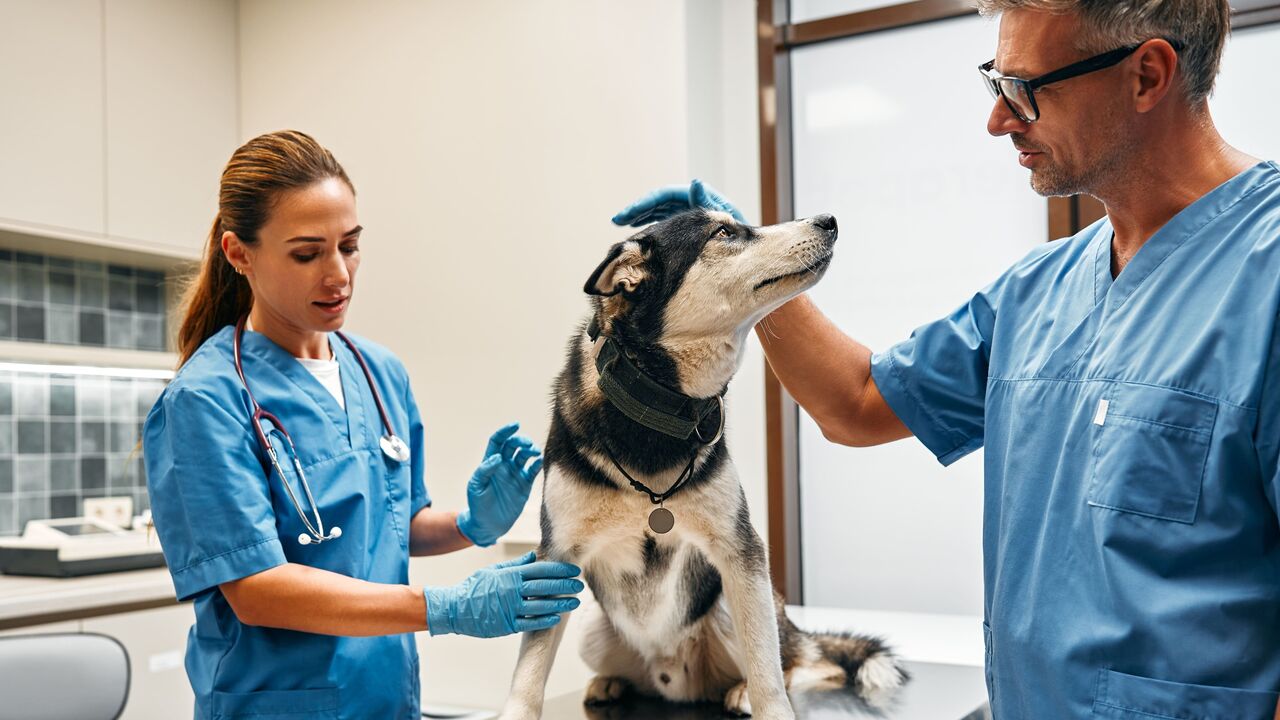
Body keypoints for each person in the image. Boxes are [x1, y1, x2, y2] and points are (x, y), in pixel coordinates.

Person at [613, 1, 1280, 717]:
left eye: (1027, 88)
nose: (999, 119)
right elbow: (856, 401)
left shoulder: (1264, 274)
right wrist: (749, 271)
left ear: (1146, 75)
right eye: (997, 83)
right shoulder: (1037, 294)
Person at [143, 130, 583, 719]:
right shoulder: (207, 399)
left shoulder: (379, 373)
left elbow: (390, 525)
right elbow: (255, 589)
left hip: (385, 698)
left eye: (349, 246)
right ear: (239, 253)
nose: (339, 274)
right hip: (277, 705)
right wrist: (445, 607)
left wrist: (470, 523)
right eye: (307, 253)